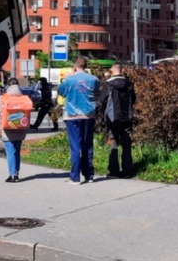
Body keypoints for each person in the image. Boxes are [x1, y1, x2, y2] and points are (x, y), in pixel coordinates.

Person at [57, 57, 100, 185]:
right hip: (88, 114)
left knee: (75, 146)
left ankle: (75, 177)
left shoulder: (69, 80)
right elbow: (96, 92)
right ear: (86, 66)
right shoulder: (93, 79)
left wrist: (68, 78)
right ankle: (89, 175)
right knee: (87, 145)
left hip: (72, 115)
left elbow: (61, 92)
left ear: (75, 67)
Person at [100, 63, 136, 178]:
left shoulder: (108, 84)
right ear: (123, 70)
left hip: (113, 118)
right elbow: (133, 100)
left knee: (113, 143)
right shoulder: (129, 84)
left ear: (111, 71)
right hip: (127, 118)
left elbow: (102, 100)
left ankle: (114, 171)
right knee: (127, 145)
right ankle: (127, 171)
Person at [0, 78, 30, 183]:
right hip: (21, 129)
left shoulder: (3, 98)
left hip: (7, 129)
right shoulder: (24, 98)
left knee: (10, 151)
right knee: (17, 151)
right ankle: (16, 173)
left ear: (8, 86)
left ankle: (12, 175)